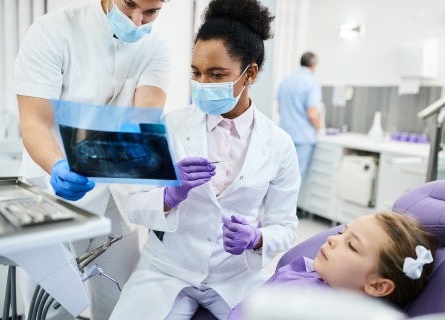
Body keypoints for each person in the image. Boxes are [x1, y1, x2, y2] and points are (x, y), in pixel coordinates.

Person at [109, 0, 301, 319]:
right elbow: (134, 203)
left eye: (217, 74)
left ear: (250, 73)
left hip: (236, 277)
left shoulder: (279, 145)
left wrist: (257, 238)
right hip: (167, 272)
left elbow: (286, 227)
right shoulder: (170, 127)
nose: (203, 85)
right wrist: (170, 195)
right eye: (196, 73)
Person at [13, 0, 172, 319]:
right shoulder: (53, 31)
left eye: (151, 11)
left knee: (122, 306)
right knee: (51, 309)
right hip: (52, 197)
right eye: (130, 5)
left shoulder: (156, 45)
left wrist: (138, 131)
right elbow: (33, 121)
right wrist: (57, 166)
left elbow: (146, 110)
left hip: (114, 201)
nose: (138, 20)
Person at [228, 211, 440, 319]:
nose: (332, 239)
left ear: (377, 285)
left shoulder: (322, 313)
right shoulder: (308, 270)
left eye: (352, 245)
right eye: (341, 232)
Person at [276, 52, 322, 181]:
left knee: (282, 176)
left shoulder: (286, 81)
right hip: (303, 137)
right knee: (296, 178)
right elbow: (312, 114)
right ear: (313, 65)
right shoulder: (312, 83)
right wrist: (319, 127)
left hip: (285, 134)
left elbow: (279, 108)